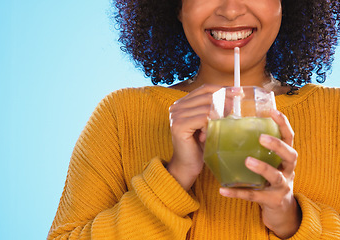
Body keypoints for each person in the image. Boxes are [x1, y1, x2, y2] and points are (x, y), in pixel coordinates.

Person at [48, 0, 340, 239]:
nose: (230, 10)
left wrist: (291, 220)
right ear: (176, 5)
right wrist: (174, 177)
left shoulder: (334, 113)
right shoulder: (120, 115)